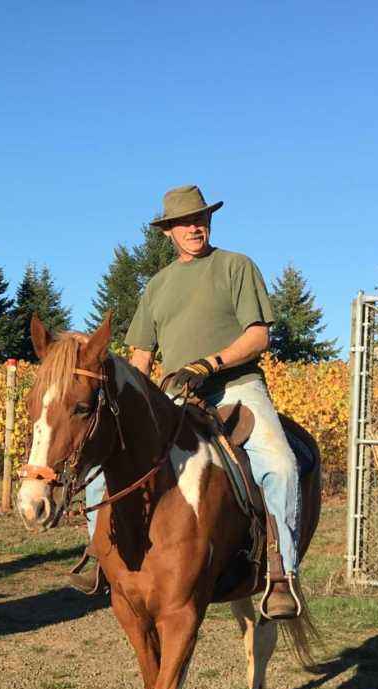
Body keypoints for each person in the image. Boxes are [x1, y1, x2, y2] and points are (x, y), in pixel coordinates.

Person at [74, 185, 302, 620]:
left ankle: (281, 574)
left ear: (210, 221)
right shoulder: (156, 286)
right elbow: (140, 357)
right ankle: (100, 558)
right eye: (183, 222)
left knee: (280, 465)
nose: (194, 227)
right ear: (168, 232)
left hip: (237, 389)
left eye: (199, 218)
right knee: (105, 464)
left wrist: (211, 363)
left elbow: (258, 336)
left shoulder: (235, 266)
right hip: (172, 396)